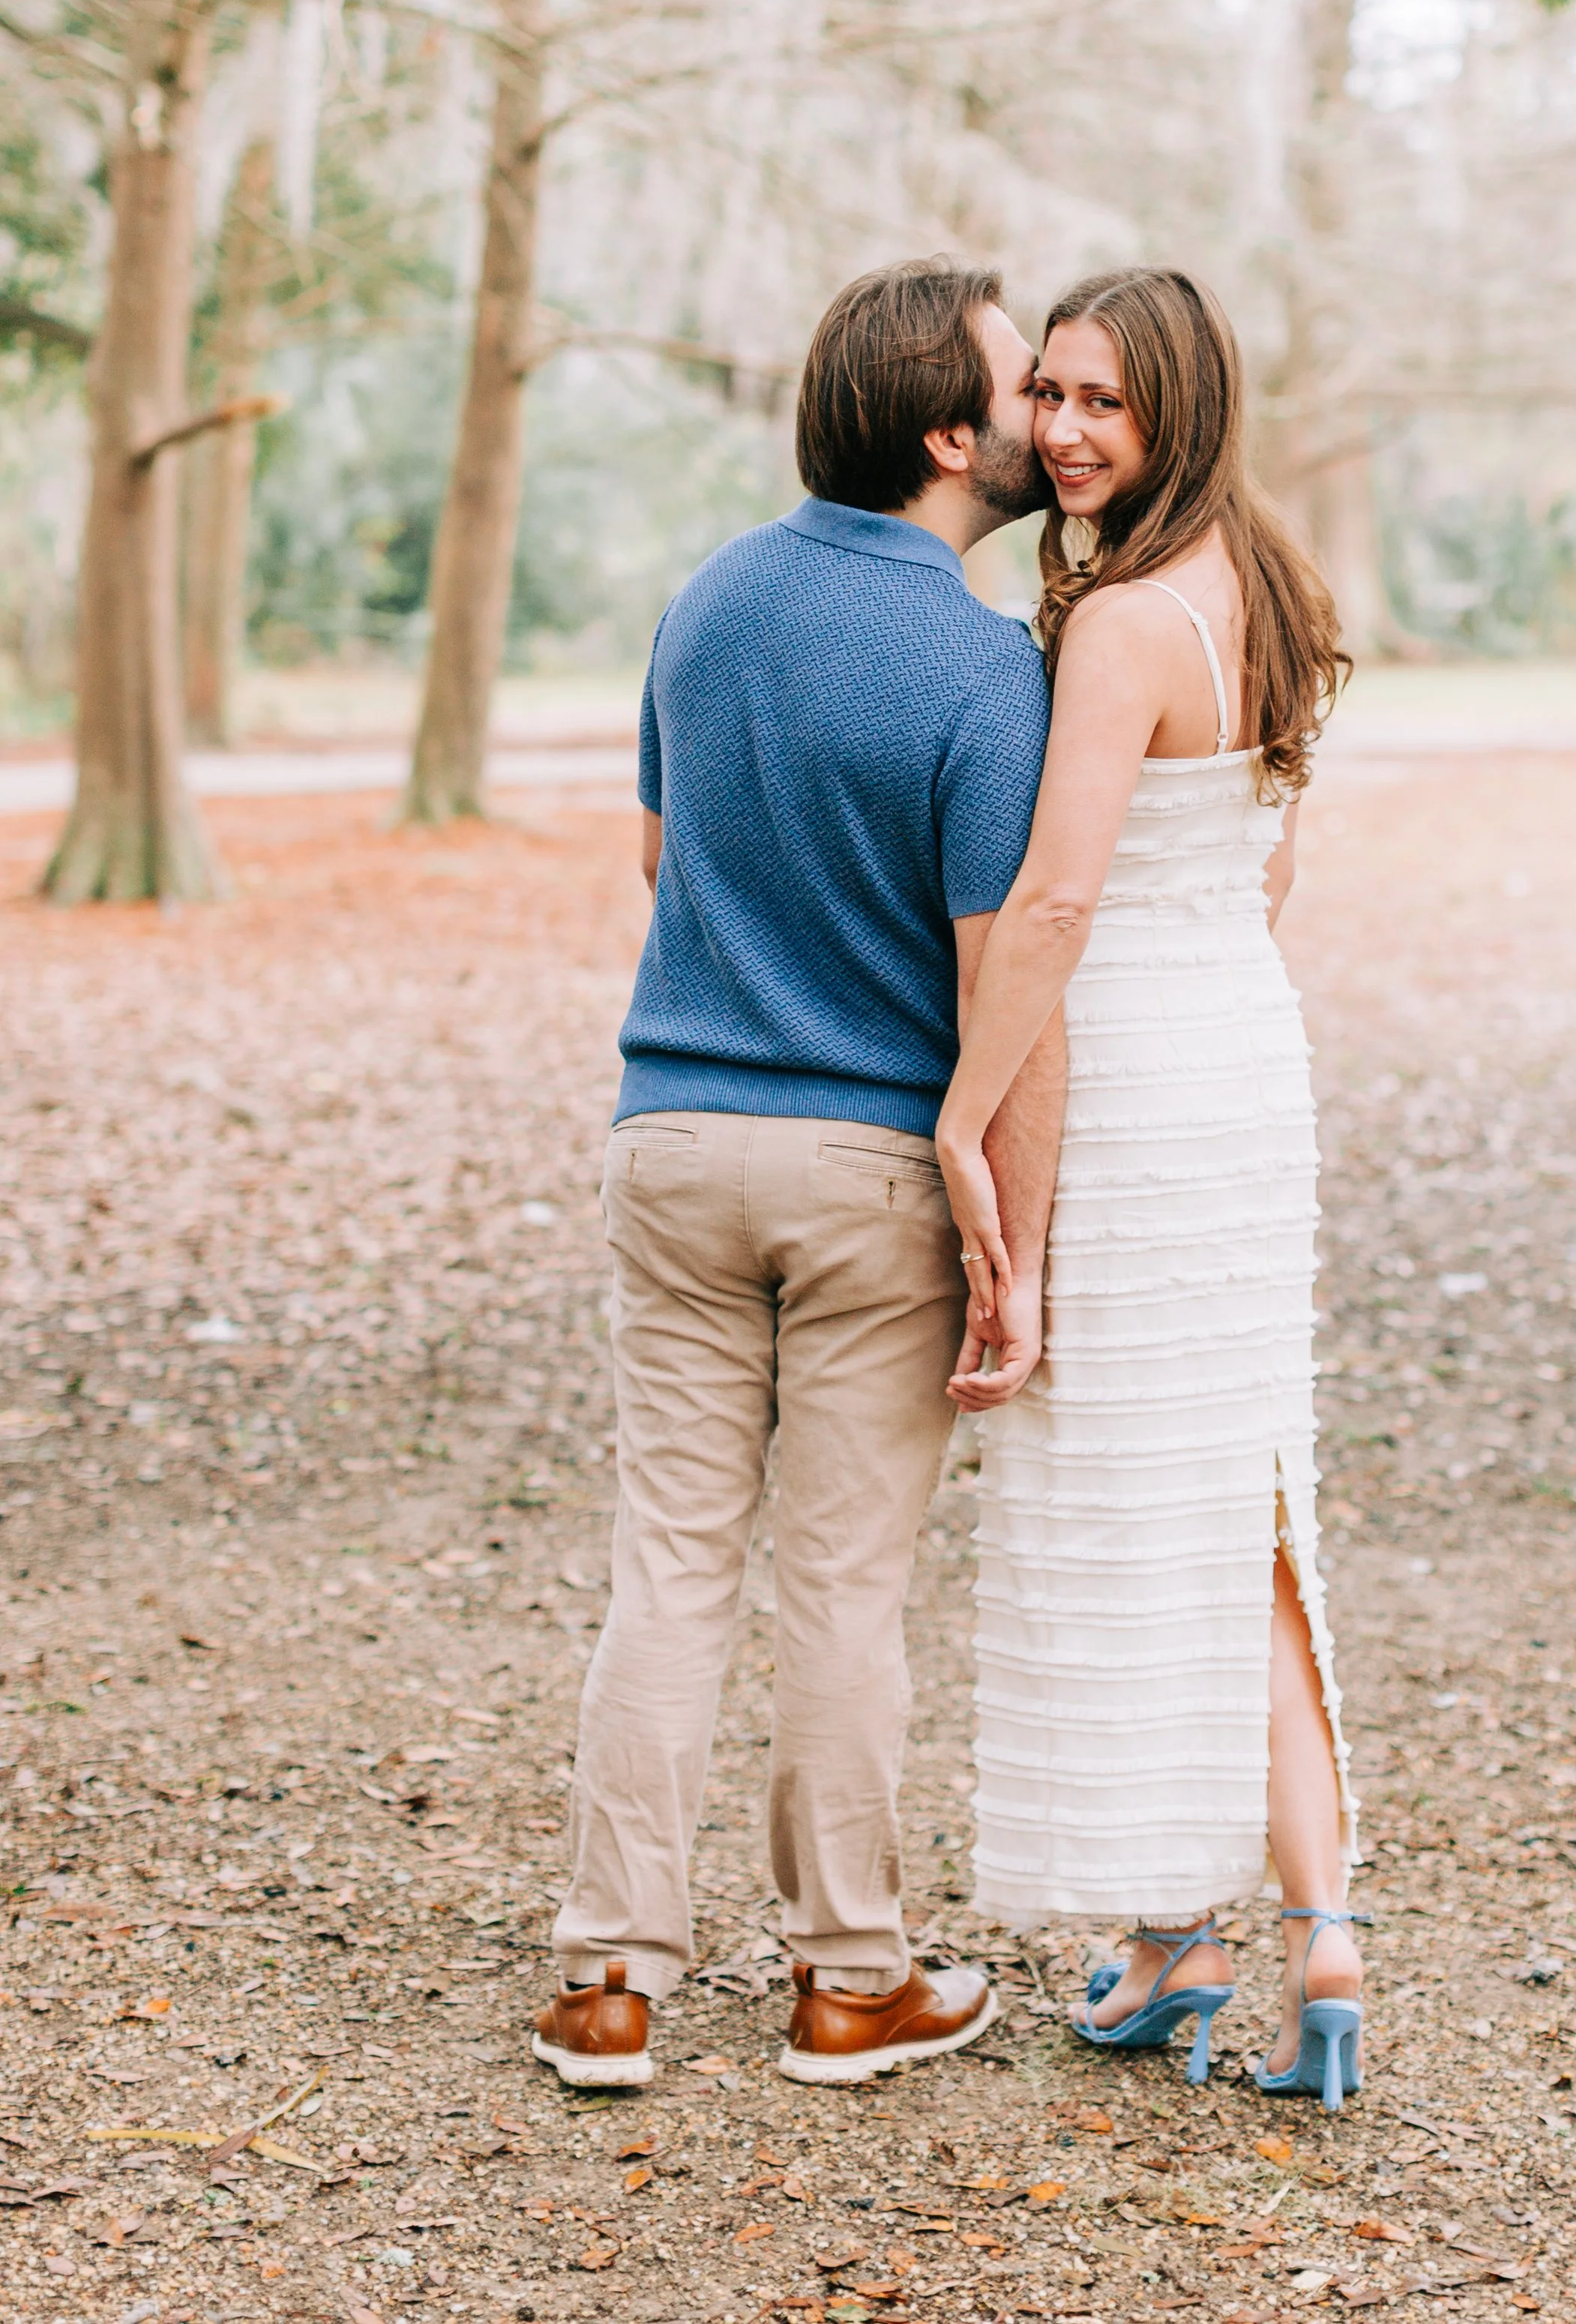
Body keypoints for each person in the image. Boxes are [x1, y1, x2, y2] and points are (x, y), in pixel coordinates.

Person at [532, 256, 1067, 2091]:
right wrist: (1021, 1254)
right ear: (946, 436)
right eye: (1017, 385)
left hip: (668, 1144)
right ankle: (849, 1979)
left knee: (667, 1563)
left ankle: (609, 1979)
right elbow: (1003, 985)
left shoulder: (705, 602)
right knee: (840, 1587)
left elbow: (667, 862)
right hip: (868, 1171)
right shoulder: (985, 671)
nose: (1041, 416)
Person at [935, 265, 1367, 2109]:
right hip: (1246, 1070)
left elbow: (1050, 903)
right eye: (1047, 393)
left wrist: (965, 1117)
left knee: (1126, 1503)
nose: (1063, 432)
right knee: (1239, 1512)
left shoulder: (1118, 627)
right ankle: (1307, 1942)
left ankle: (1179, 1933)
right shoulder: (1268, 591)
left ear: (1178, 408)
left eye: (1103, 399)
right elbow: (1262, 875)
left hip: (1132, 1093)